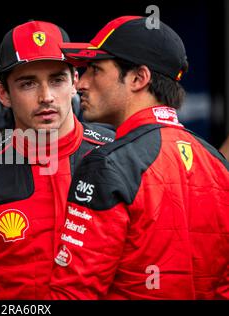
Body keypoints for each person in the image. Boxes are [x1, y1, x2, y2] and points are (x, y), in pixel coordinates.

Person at [49, 15, 229, 299]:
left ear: (138, 78)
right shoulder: (219, 164)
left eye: (95, 69)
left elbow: (74, 292)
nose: (80, 83)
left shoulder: (107, 163)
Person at [0, 20, 115, 300]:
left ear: (74, 82)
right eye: (28, 83)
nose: (46, 97)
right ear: (3, 93)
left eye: (57, 80)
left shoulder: (116, 154)